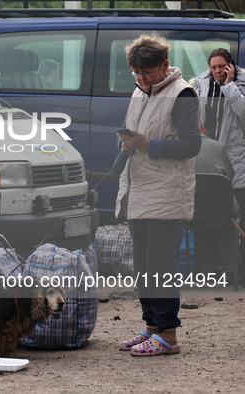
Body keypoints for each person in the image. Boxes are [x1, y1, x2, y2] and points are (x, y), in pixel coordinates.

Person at [115, 34, 201, 356]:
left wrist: (148, 145)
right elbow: (135, 131)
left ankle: (168, 336)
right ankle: (151, 327)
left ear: (164, 66)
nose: (140, 78)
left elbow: (193, 145)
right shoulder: (140, 92)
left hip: (167, 195)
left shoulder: (182, 95)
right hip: (139, 191)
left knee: (161, 267)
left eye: (147, 72)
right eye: (136, 73)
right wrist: (126, 143)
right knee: (143, 267)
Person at [193, 49, 245, 279]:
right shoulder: (201, 82)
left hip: (235, 155)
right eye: (214, 67)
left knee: (234, 214)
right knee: (207, 212)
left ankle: (234, 269)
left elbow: (242, 111)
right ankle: (207, 269)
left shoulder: (240, 82)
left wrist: (230, 85)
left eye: (222, 67)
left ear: (231, 66)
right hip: (208, 154)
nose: (217, 72)